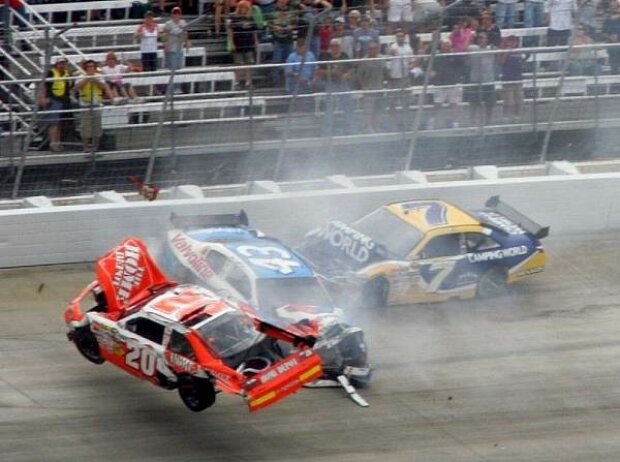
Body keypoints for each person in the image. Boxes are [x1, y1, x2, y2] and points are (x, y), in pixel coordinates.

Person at [74, 60, 114, 152]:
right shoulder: (80, 77)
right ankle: (86, 147)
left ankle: (96, 147)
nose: (90, 68)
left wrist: (95, 79)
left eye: (92, 66)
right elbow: (76, 88)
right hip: (85, 105)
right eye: (88, 66)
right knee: (85, 128)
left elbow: (104, 87)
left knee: (97, 128)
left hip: (96, 104)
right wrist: (87, 78)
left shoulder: (99, 77)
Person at [316, 39, 354, 133]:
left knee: (348, 105)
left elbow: (351, 68)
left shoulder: (344, 56)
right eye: (333, 46)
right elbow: (319, 71)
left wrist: (347, 74)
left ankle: (350, 127)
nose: (335, 48)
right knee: (329, 107)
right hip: (330, 83)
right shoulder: (325, 57)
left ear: (340, 47)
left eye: (337, 46)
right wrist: (332, 73)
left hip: (342, 83)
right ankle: (327, 129)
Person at [39, 57, 72, 152]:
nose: (62, 65)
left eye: (64, 63)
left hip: (64, 100)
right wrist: (43, 98)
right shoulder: (51, 73)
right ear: (56, 64)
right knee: (54, 122)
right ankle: (53, 142)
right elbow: (44, 85)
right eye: (60, 63)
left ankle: (58, 142)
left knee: (60, 122)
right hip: (53, 99)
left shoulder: (68, 73)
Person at [431, 40, 464, 128]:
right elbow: (431, 66)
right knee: (437, 104)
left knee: (454, 104)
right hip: (440, 84)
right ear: (441, 46)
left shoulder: (455, 56)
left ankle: (455, 123)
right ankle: (432, 122)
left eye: (448, 45)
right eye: (445, 45)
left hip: (453, 83)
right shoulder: (436, 56)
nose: (446, 47)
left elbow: (461, 66)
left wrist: (457, 76)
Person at [227, 0, 260, 88]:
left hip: (249, 42)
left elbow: (254, 31)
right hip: (237, 43)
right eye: (242, 8)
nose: (244, 10)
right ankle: (236, 82)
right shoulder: (233, 17)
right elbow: (230, 31)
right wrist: (231, 43)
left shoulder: (250, 18)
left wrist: (256, 41)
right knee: (238, 63)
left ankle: (248, 82)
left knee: (248, 63)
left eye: (246, 8)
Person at [467, 32, 497, 126]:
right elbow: (463, 49)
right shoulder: (473, 48)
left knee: (490, 103)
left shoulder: (491, 48)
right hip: (475, 80)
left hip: (489, 80)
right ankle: (472, 120)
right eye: (479, 38)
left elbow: (500, 54)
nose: (481, 40)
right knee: (474, 103)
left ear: (487, 39)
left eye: (483, 38)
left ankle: (488, 121)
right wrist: (470, 38)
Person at [356, 40, 385, 131]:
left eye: (375, 48)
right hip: (369, 89)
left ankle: (376, 126)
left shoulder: (382, 59)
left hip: (380, 88)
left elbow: (385, 72)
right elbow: (360, 76)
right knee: (368, 110)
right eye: (370, 48)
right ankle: (369, 127)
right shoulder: (364, 61)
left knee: (378, 109)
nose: (373, 50)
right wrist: (364, 87)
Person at [498, 35, 527, 123]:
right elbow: (501, 62)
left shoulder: (519, 52)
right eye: (510, 41)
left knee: (518, 99)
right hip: (507, 79)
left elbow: (525, 58)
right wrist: (506, 51)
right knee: (508, 100)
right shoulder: (504, 51)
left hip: (518, 78)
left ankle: (516, 116)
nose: (512, 43)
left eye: (514, 41)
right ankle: (505, 116)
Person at [267, 0, 296, 85]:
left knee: (290, 60)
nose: (282, 2)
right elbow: (268, 23)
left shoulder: (291, 11)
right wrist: (275, 27)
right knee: (276, 60)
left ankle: (290, 80)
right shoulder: (272, 11)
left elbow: (295, 23)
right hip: (277, 40)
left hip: (289, 39)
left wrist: (290, 27)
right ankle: (275, 80)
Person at [386, 29, 415, 113]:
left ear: (404, 37)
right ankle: (393, 120)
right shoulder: (392, 47)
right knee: (393, 100)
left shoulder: (408, 47)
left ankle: (405, 119)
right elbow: (388, 61)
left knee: (406, 99)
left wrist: (411, 66)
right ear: (396, 38)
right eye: (398, 36)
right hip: (394, 77)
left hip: (405, 76)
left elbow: (412, 60)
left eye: (401, 36)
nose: (400, 38)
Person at [162, 7, 190, 73]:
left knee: (180, 69)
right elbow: (163, 35)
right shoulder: (168, 24)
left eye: (178, 13)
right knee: (172, 70)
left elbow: (186, 34)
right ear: (172, 15)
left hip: (180, 49)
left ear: (180, 15)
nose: (176, 15)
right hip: (171, 50)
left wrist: (187, 45)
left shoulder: (183, 23)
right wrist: (164, 46)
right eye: (175, 13)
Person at [603, 0, 620, 74]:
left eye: (616, 6)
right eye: (612, 6)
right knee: (614, 66)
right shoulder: (607, 20)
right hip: (612, 46)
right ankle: (615, 84)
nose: (614, 7)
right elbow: (603, 32)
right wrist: (610, 37)